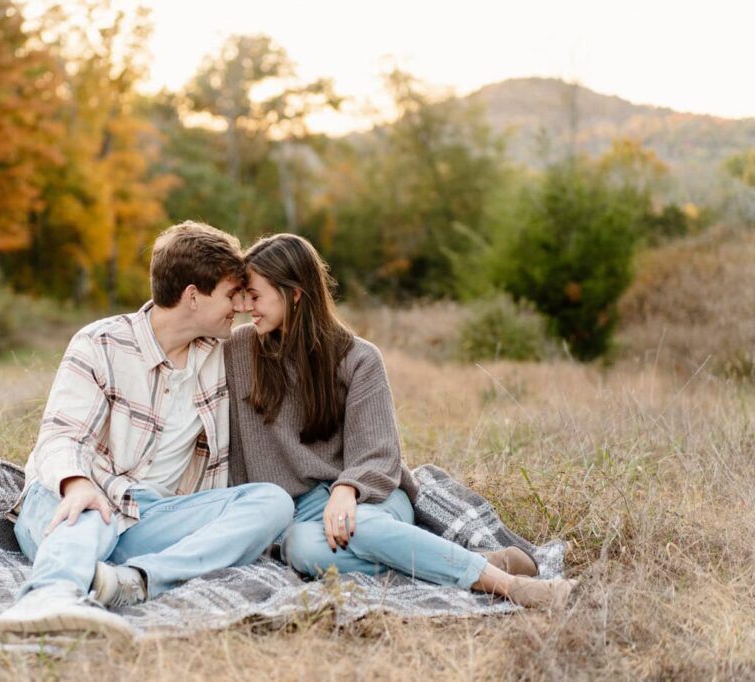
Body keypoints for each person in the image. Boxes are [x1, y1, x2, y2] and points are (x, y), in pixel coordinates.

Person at [225, 234, 577, 609]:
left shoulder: (359, 359)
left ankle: (508, 585)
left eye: (255, 295)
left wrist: (346, 491)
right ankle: (477, 564)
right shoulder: (238, 351)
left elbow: (380, 453)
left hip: (374, 497)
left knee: (367, 527)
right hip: (301, 515)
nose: (247, 307)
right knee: (301, 549)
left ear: (294, 294)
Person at [0, 222, 295, 641]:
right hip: (74, 503)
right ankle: (49, 596)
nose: (240, 308)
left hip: (151, 519)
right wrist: (77, 482)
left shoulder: (226, 353)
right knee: (94, 510)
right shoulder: (100, 343)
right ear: (193, 296)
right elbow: (61, 436)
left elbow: (299, 335)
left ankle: (133, 580)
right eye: (230, 295)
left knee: (272, 502)